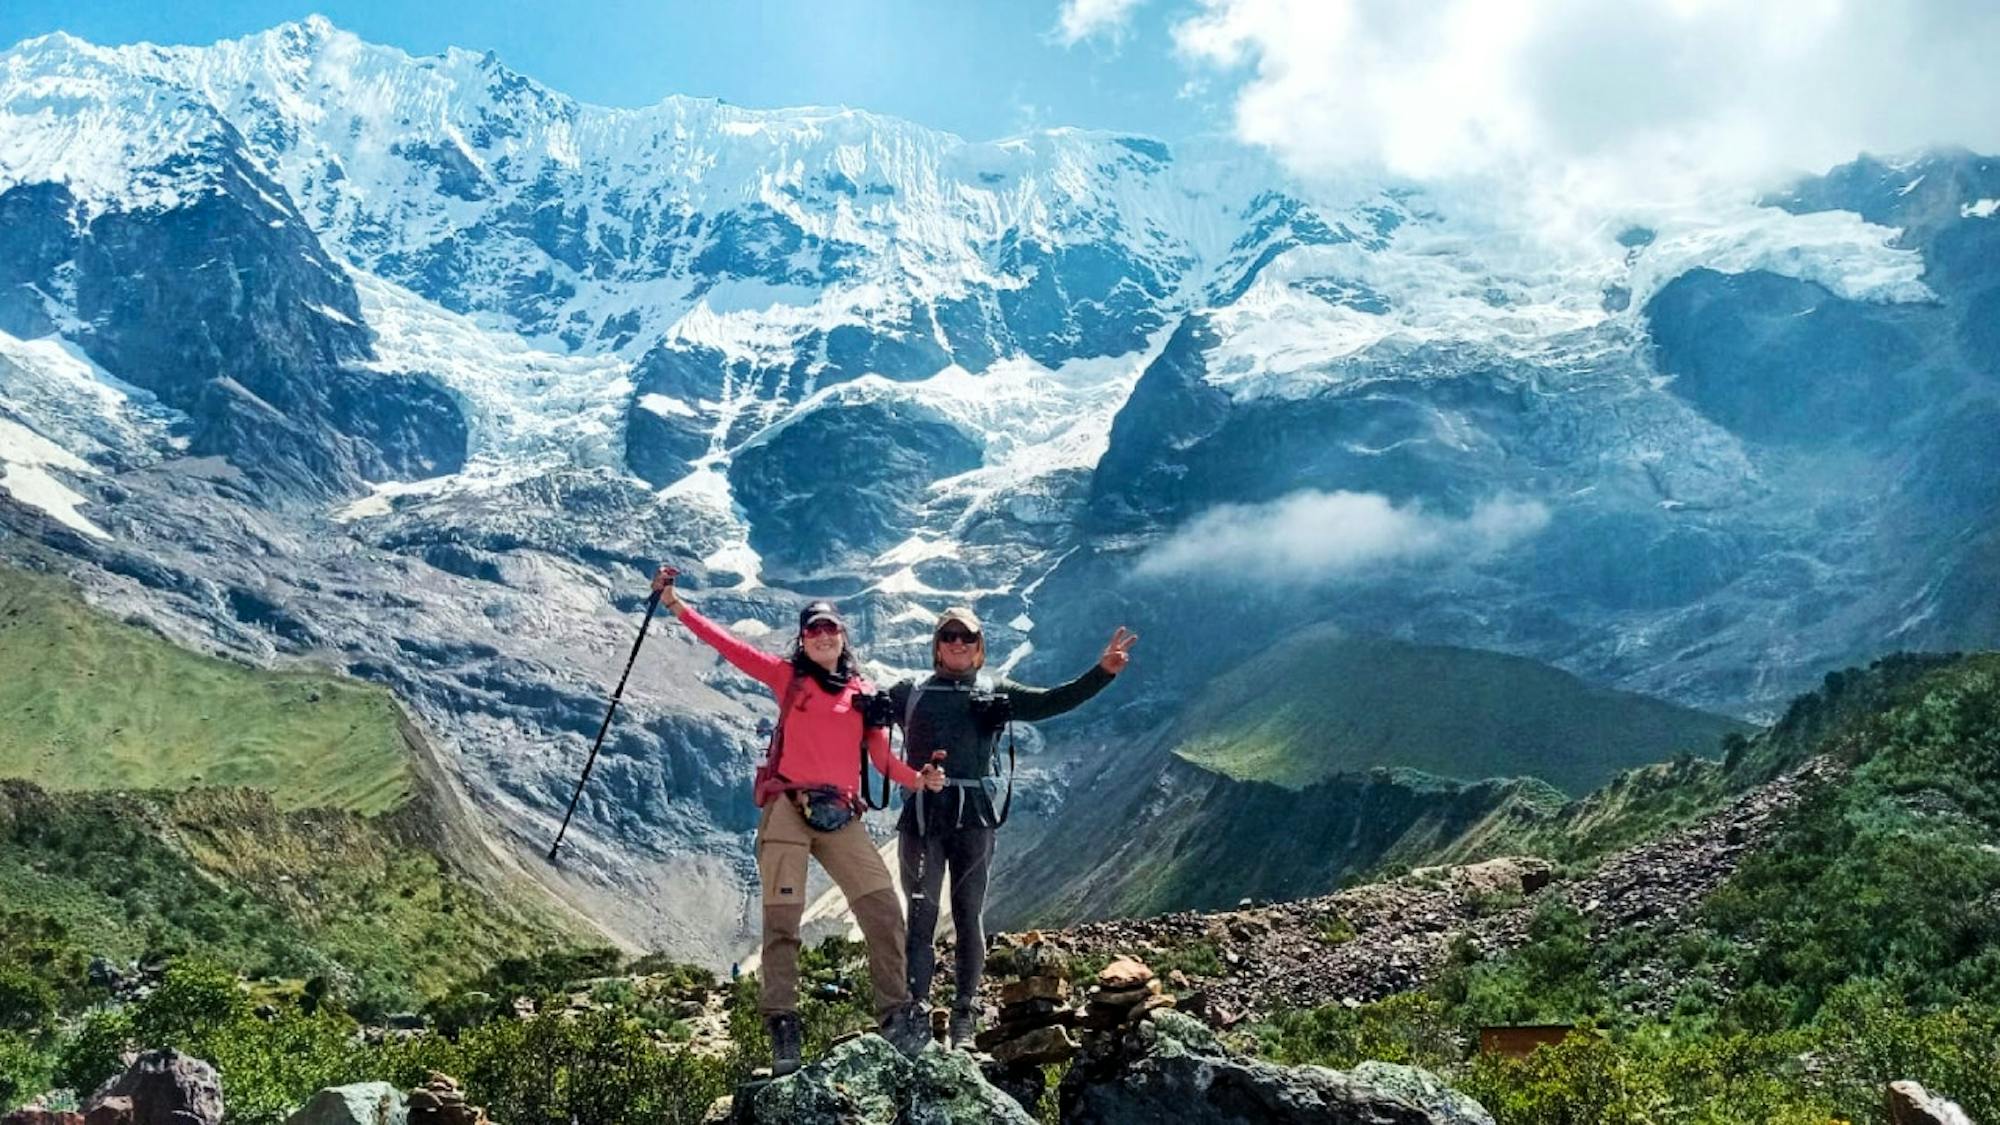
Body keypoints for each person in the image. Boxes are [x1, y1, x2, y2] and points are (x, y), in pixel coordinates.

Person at [651, 565, 944, 1074]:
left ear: (843, 636)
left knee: (881, 910)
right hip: (788, 809)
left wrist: (919, 780)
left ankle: (895, 1014)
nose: (824, 636)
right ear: (803, 640)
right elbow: (729, 647)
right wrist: (676, 605)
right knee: (782, 925)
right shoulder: (786, 677)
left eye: (831, 629)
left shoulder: (863, 693)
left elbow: (881, 763)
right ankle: (783, 1027)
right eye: (814, 630)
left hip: (842, 814)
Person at [890, 606, 1136, 1047]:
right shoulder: (908, 692)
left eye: (966, 636)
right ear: (937, 644)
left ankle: (964, 1013)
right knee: (922, 918)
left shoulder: (995, 690)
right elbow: (855, 712)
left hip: (974, 817)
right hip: (925, 816)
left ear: (980, 645)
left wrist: (1103, 672)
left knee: (968, 915)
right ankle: (918, 1010)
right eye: (949, 635)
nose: (958, 643)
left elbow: (1050, 701)